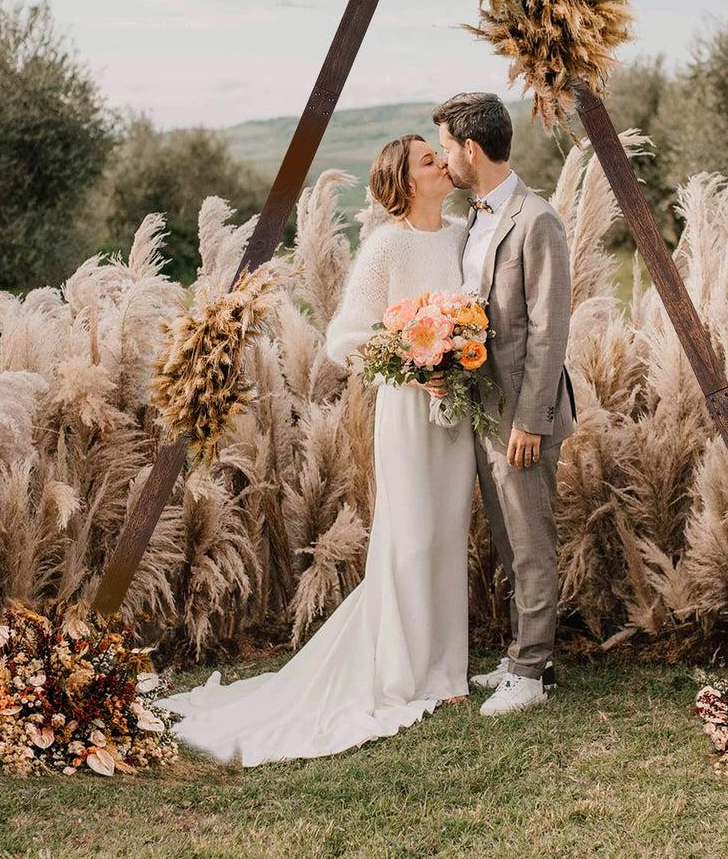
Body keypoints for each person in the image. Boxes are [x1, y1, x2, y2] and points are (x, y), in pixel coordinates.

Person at [156, 133, 477, 765]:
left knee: (447, 532)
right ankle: (404, 674)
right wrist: (413, 364)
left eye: (439, 155)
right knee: (410, 535)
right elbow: (344, 339)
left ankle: (446, 670)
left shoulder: (463, 234)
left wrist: (460, 358)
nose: (443, 161)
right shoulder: (388, 245)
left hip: (456, 409)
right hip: (409, 410)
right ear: (407, 182)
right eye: (428, 159)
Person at [431, 92, 576, 718]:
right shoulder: (475, 220)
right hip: (484, 410)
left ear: (470, 147)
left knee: (531, 541)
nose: (442, 160)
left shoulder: (535, 218)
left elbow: (549, 329)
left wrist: (530, 421)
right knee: (510, 542)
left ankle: (532, 671)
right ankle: (523, 654)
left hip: (523, 416)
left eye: (444, 146)